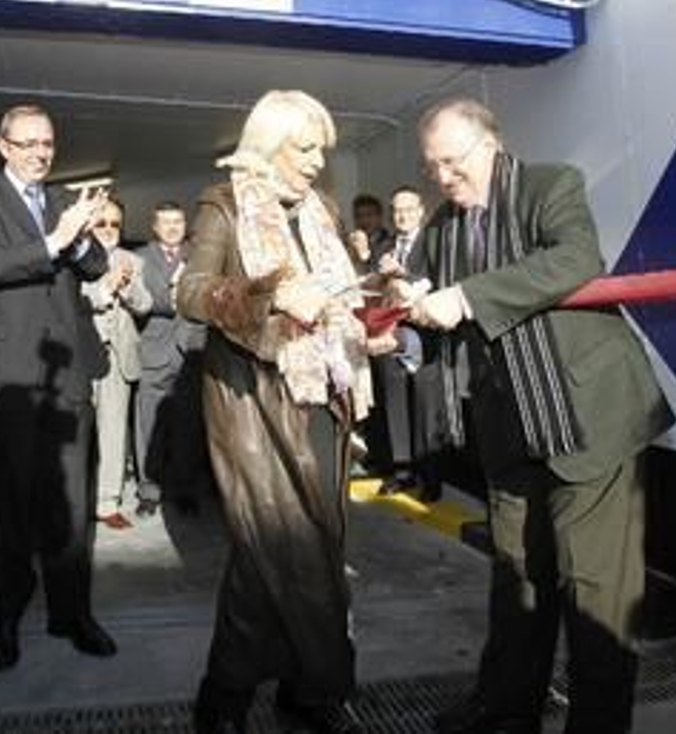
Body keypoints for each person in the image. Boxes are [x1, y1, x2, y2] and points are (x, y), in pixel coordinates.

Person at [402, 98, 675, 734]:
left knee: (595, 589)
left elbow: (577, 260)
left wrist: (467, 297)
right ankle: (506, 708)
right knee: (517, 574)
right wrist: (406, 302)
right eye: (431, 166)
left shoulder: (551, 185)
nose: (442, 177)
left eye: (452, 161)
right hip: (508, 425)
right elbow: (424, 296)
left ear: (490, 143)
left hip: (589, 415)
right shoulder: (441, 227)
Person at [176, 90, 395, 734]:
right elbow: (191, 293)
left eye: (321, 150)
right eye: (304, 149)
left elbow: (339, 299)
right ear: (269, 146)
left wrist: (375, 318)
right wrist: (271, 296)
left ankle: (298, 691)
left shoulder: (323, 211)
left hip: (323, 396)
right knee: (268, 550)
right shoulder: (223, 203)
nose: (316, 162)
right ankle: (234, 699)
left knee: (315, 548)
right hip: (252, 398)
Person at [0, 104, 117, 673]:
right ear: (3, 146)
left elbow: (94, 266)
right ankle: (4, 619)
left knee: (71, 506)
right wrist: (53, 242)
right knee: (9, 506)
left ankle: (72, 613)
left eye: (47, 143)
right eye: (28, 144)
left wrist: (80, 239)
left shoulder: (64, 200)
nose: (40, 154)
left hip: (66, 374)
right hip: (10, 379)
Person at [369, 184, 446, 501]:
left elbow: (441, 282)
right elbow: (375, 288)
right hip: (390, 333)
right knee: (394, 403)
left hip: (425, 336)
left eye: (408, 209)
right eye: (396, 210)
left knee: (427, 408)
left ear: (421, 211)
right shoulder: (383, 246)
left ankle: (431, 478)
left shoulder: (434, 242)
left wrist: (403, 274)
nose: (401, 216)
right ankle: (401, 472)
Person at [81, 197, 151, 529]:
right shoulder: (75, 257)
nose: (109, 229)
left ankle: (107, 502)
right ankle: (77, 499)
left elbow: (145, 304)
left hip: (119, 355)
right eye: (102, 223)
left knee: (113, 430)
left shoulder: (133, 260)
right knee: (79, 432)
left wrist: (127, 288)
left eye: (115, 224)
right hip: (83, 353)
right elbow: (71, 302)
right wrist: (104, 288)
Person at [133, 200, 207, 518]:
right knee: (149, 426)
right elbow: (143, 301)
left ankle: (184, 490)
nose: (173, 227)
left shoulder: (200, 256)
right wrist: (175, 297)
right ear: (154, 227)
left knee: (188, 425)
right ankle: (149, 492)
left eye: (178, 221)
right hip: (155, 351)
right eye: (166, 222)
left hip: (191, 349)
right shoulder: (139, 258)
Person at [346, 193, 391, 267]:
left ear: (379, 216)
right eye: (359, 216)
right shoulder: (351, 244)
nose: (364, 220)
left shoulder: (390, 244)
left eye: (369, 215)